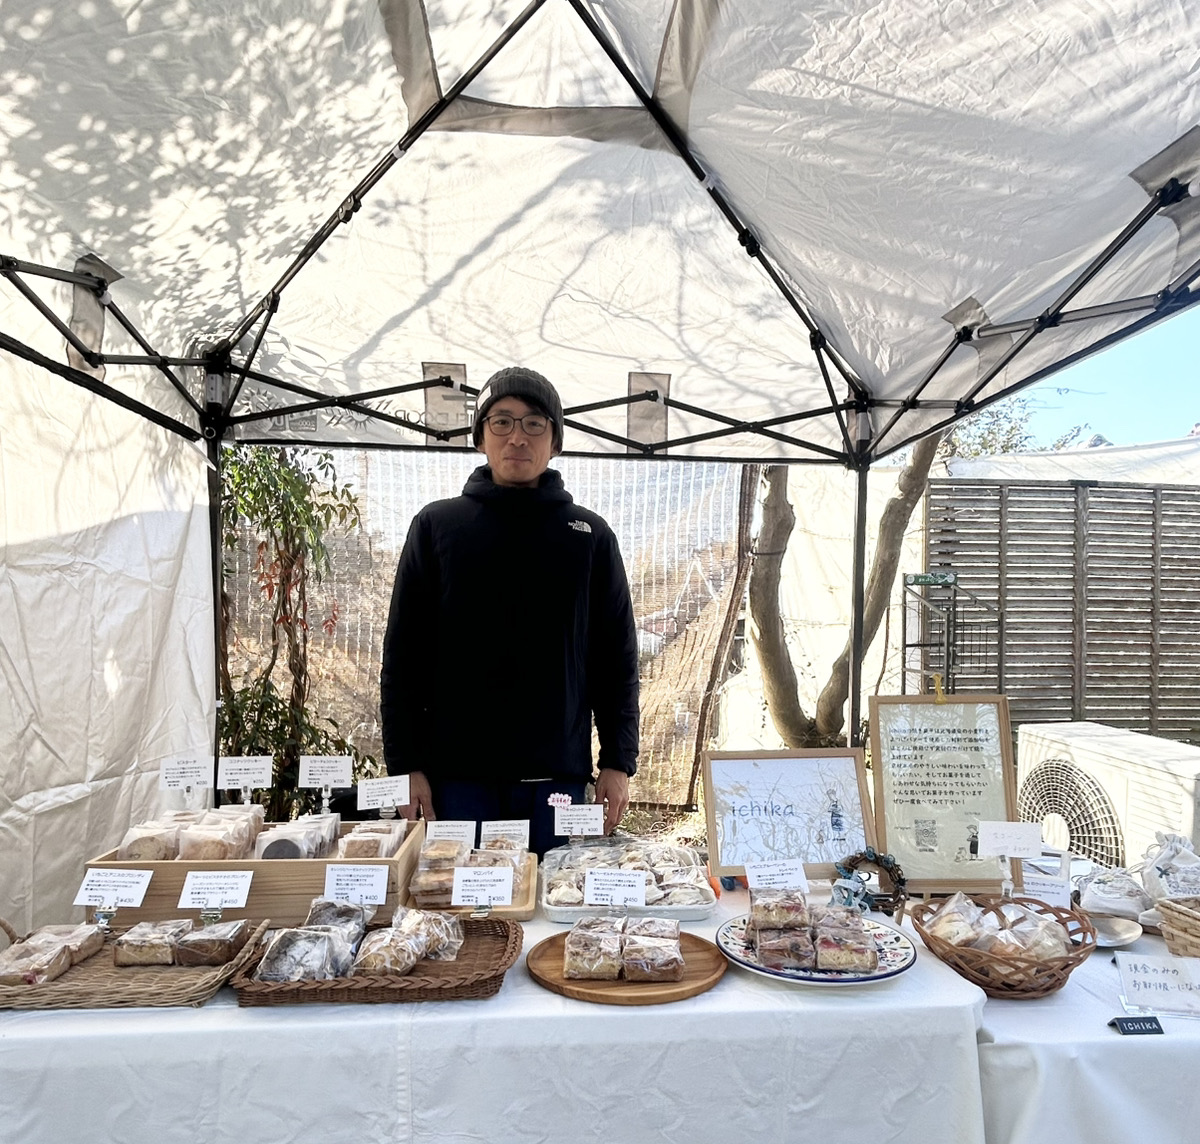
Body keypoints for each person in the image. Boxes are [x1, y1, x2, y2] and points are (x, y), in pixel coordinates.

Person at [379, 366, 639, 854]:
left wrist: (618, 760)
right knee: (457, 897)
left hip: (555, 779)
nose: (517, 437)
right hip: (456, 779)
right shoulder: (436, 527)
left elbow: (616, 660)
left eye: (534, 423)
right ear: (480, 437)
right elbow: (403, 657)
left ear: (555, 442)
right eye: (501, 422)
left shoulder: (589, 537)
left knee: (555, 894)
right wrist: (405, 765)